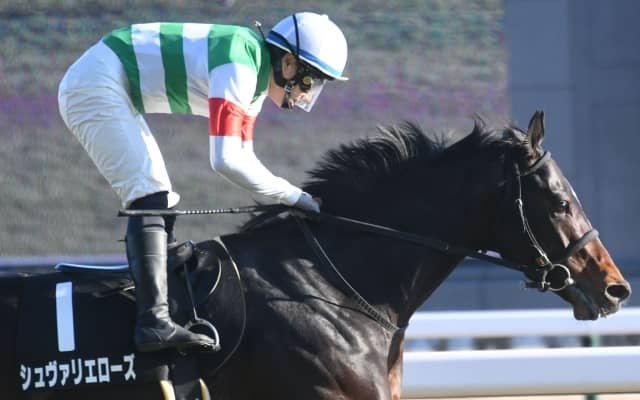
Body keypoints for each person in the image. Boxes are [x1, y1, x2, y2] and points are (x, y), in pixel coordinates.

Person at [57, 12, 349, 354]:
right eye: (309, 82)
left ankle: (162, 301)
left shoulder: (253, 78)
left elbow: (243, 157)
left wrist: (293, 197)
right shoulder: (240, 61)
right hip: (93, 84)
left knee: (159, 196)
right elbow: (227, 160)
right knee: (150, 193)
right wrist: (295, 197)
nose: (306, 95)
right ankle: (152, 323)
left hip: (108, 82)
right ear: (288, 63)